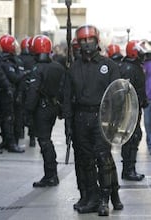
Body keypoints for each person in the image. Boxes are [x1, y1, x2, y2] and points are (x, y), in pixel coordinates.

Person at [63, 24, 123, 216]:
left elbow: (118, 97)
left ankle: (105, 200)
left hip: (102, 118)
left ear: (96, 41)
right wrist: (68, 124)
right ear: (78, 43)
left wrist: (115, 122)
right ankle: (90, 197)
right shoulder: (74, 67)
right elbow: (67, 98)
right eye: (83, 40)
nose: (87, 44)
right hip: (81, 118)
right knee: (84, 160)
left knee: (103, 159)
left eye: (90, 40)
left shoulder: (110, 66)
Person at [25, 35, 65, 187]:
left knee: (44, 141)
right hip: (53, 108)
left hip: (41, 109)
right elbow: (64, 89)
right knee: (46, 140)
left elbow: (33, 92)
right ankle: (51, 173)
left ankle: (50, 175)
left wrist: (28, 111)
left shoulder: (37, 69)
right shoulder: (58, 67)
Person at [118, 40, 147, 181]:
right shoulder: (129, 68)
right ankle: (128, 170)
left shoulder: (133, 66)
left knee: (133, 138)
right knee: (131, 139)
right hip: (129, 111)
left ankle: (130, 169)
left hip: (134, 109)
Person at [0, 34, 25, 153]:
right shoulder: (5, 61)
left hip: (10, 93)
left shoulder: (9, 59)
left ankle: (8, 141)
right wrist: (23, 74)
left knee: (8, 118)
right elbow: (14, 77)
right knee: (9, 119)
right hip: (8, 94)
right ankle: (11, 143)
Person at [18, 37, 37, 147]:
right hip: (32, 89)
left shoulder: (19, 58)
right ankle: (32, 137)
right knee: (32, 114)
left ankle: (20, 133)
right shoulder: (35, 60)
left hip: (21, 89)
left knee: (20, 113)